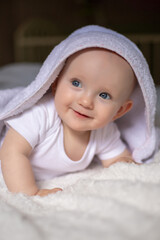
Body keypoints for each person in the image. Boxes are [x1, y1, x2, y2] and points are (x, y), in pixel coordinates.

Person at [0, 25, 158, 196]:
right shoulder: (40, 114)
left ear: (119, 111)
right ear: (55, 82)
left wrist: (132, 168)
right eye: (76, 83)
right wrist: (30, 192)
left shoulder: (104, 131)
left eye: (104, 95)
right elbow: (11, 152)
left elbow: (118, 161)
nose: (85, 101)